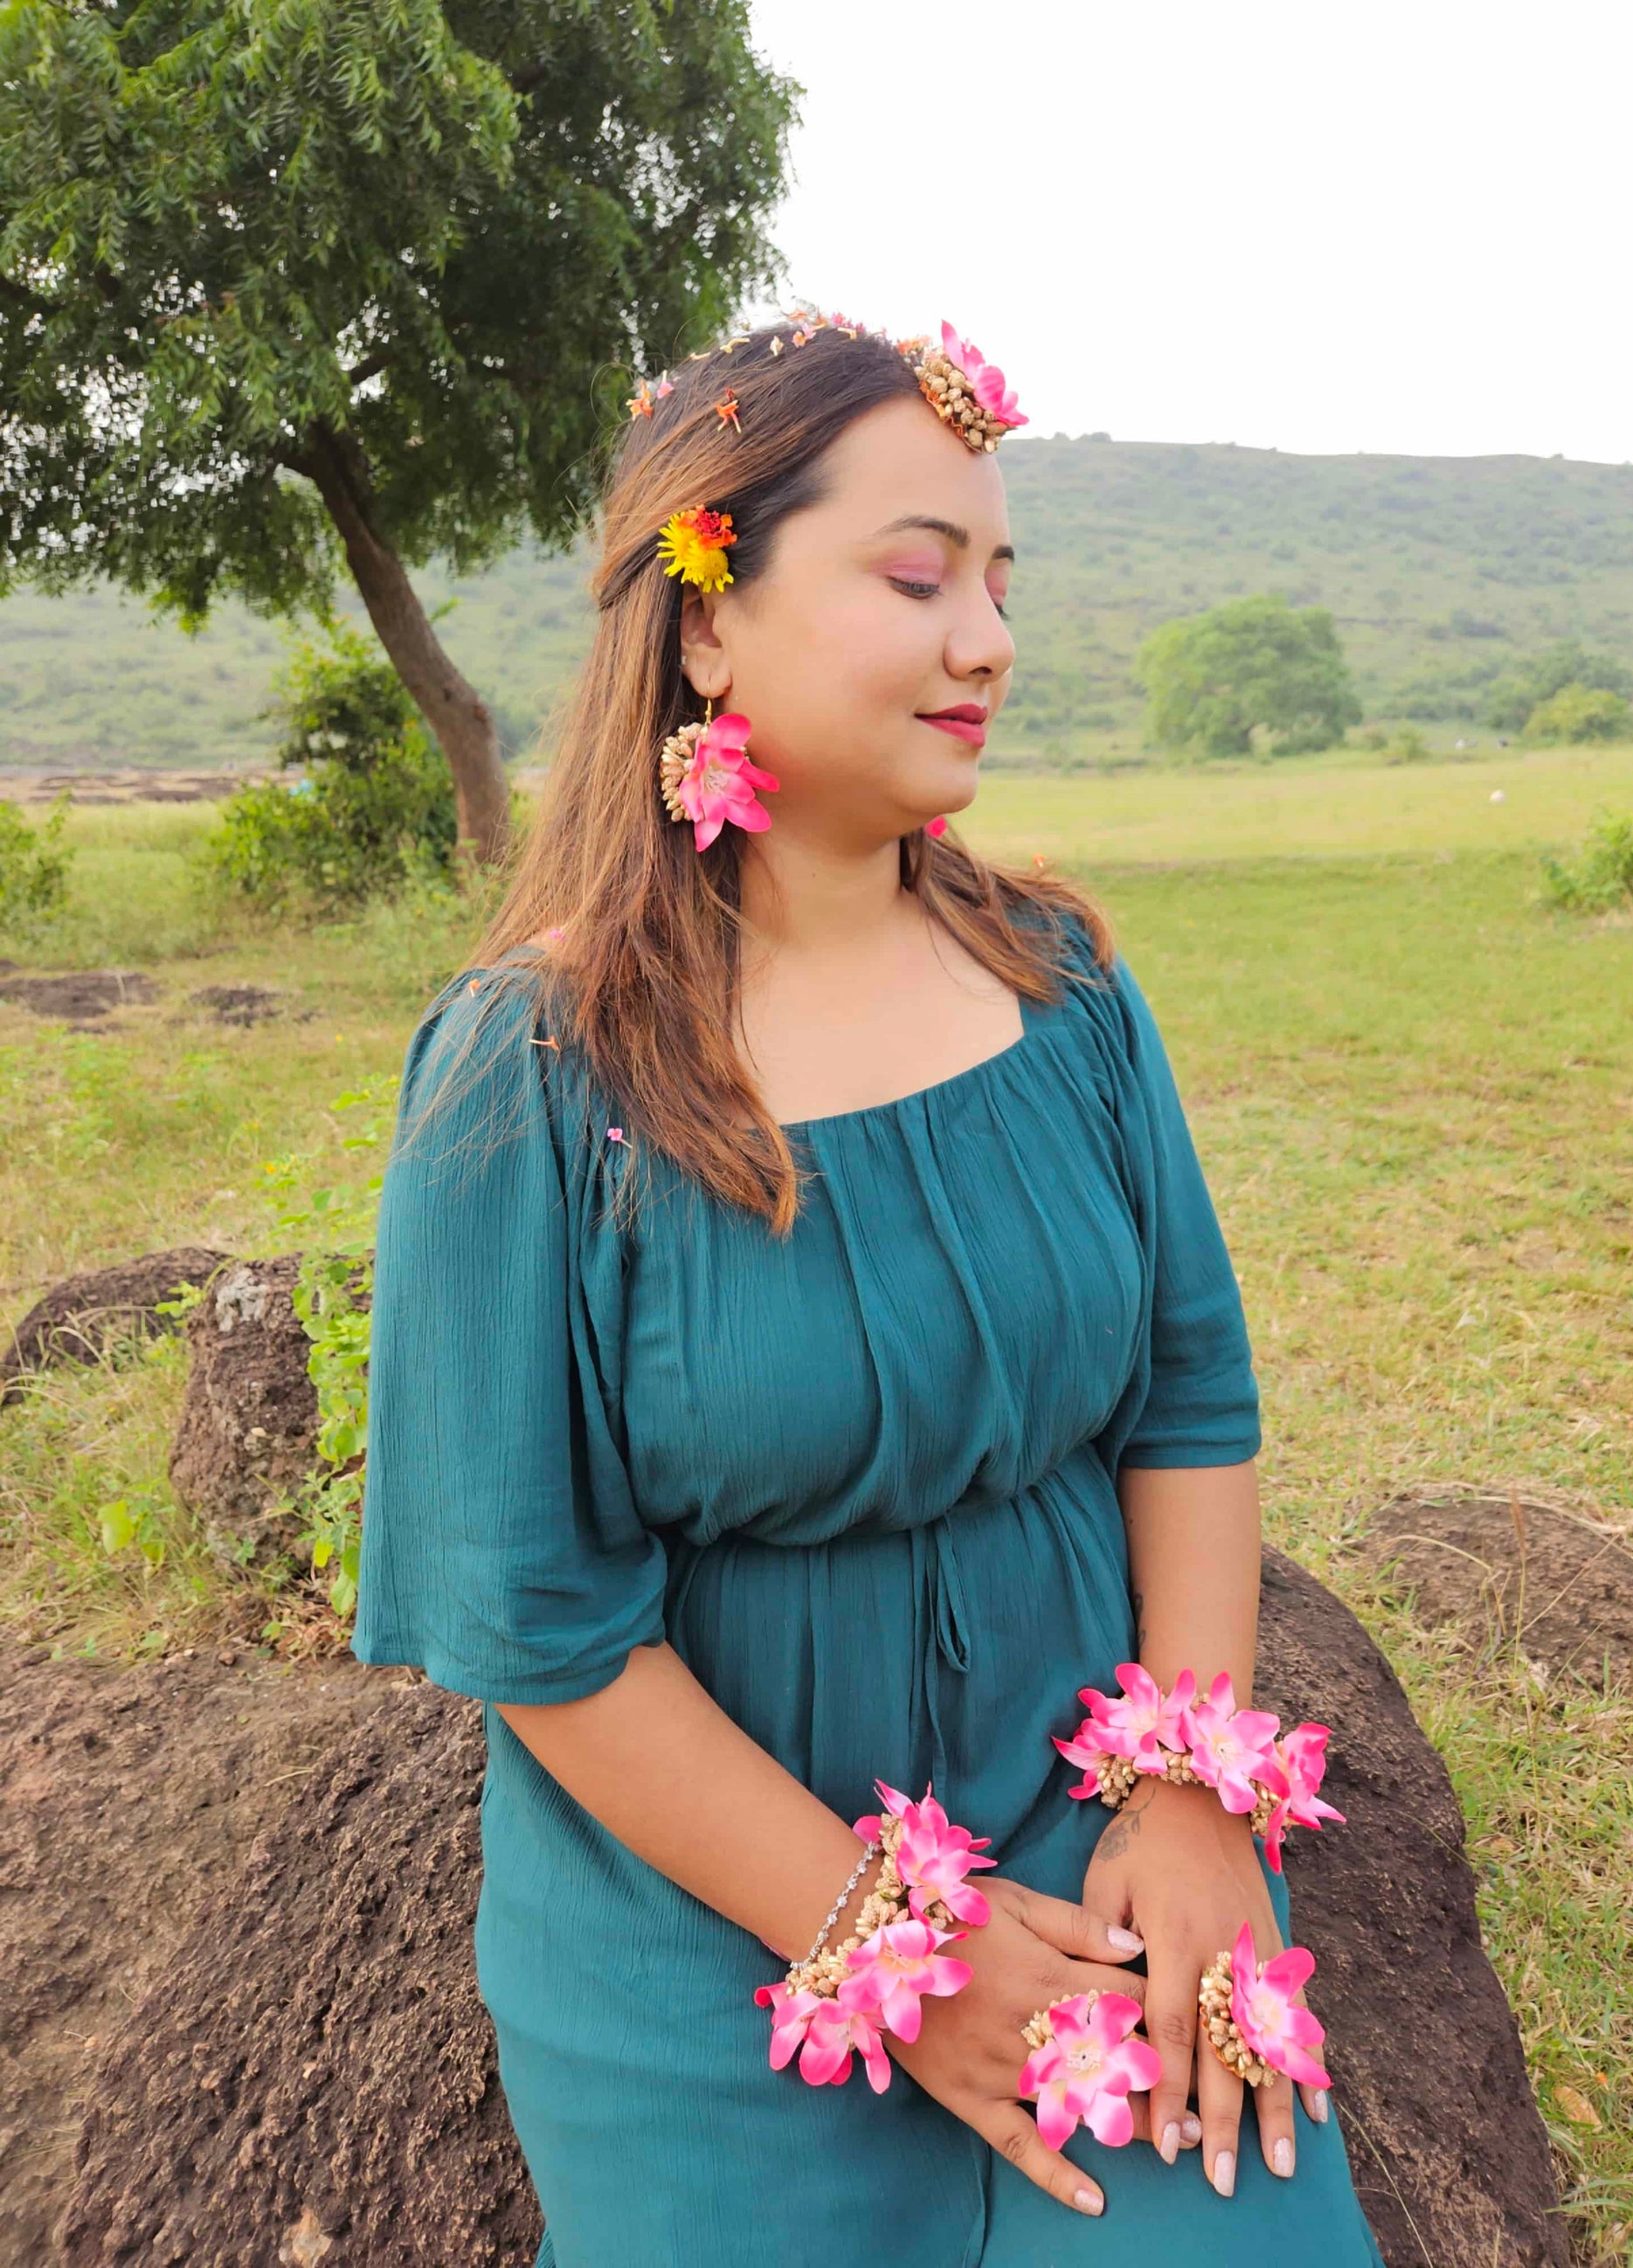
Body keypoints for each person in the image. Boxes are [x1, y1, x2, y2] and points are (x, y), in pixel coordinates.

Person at [351, 309, 1387, 2267]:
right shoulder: (534, 1066)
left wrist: (1186, 1796)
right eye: (918, 576)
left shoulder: (1067, 986)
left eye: (999, 580)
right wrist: (884, 1931)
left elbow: (1186, 1401)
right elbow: (534, 1620)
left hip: (1094, 1837)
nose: (987, 637)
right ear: (710, 614)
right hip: (715, 1936)